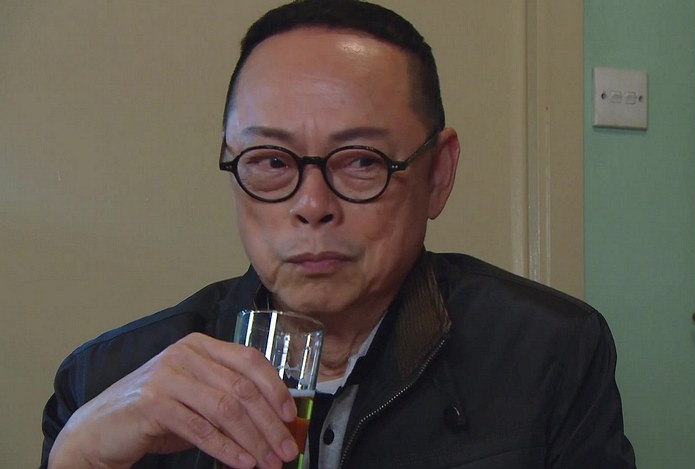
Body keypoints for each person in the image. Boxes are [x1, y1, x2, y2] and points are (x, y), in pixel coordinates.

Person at [41, 1, 636, 468]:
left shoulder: (549, 354)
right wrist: (78, 458)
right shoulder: (102, 382)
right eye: (271, 161)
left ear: (438, 174)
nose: (311, 206)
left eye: (360, 162)